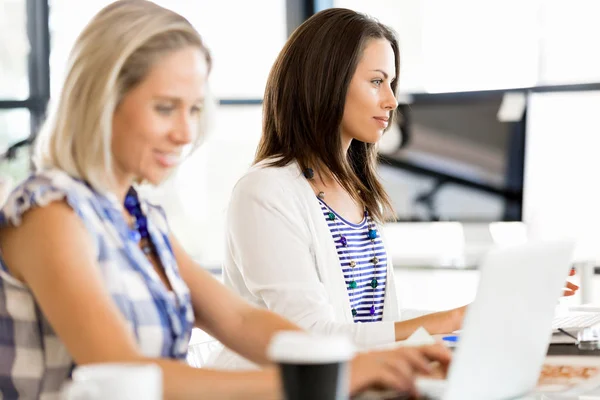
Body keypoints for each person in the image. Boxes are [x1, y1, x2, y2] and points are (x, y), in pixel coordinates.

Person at [0, 1, 452, 399]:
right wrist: (325, 378)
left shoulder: (139, 218)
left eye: (194, 109)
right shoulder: (48, 215)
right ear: (101, 100)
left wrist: (353, 365)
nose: (185, 133)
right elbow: (126, 376)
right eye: (165, 107)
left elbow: (239, 321)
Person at [211, 7, 578, 370]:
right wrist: (454, 319)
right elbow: (312, 335)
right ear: (326, 82)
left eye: (391, 83)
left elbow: (373, 326)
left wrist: (491, 307)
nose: (391, 100)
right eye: (376, 81)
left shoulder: (353, 190)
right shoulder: (265, 192)